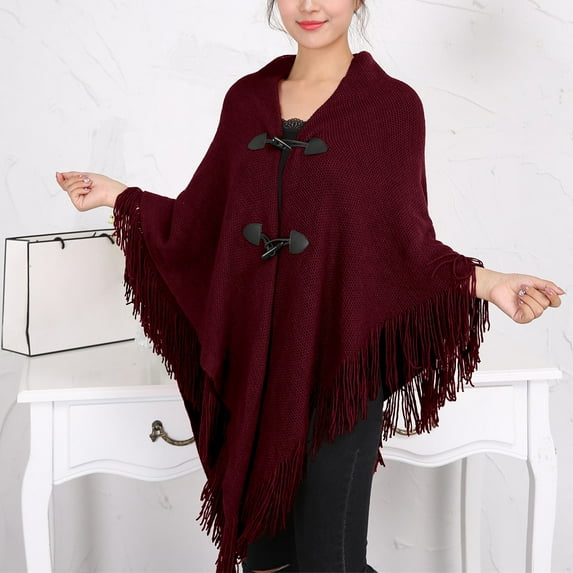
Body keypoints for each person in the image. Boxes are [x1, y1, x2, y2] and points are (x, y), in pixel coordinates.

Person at [57, 1, 564, 572]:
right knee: (266, 562)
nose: (310, 5)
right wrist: (119, 196)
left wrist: (490, 283)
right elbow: (203, 224)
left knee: (330, 562)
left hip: (340, 369)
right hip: (256, 369)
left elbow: (406, 245)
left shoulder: (392, 107)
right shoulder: (245, 101)